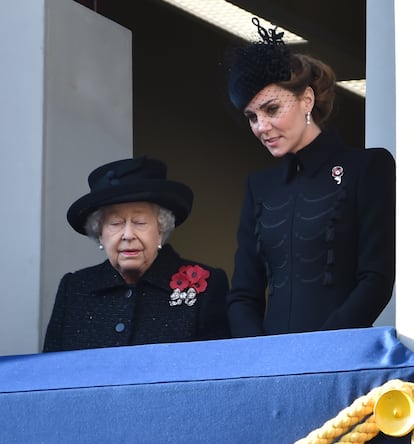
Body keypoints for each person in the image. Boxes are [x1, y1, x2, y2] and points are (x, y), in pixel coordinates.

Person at [225, 18, 396, 338]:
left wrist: (319, 352)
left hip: (341, 358)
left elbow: (376, 279)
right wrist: (258, 355)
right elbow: (243, 294)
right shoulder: (259, 186)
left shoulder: (368, 166)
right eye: (252, 116)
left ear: (306, 99)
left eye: (272, 109)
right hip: (271, 364)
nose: (261, 126)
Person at [43, 156, 230, 352]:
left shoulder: (207, 285)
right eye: (115, 223)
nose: (128, 235)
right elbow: (50, 373)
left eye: (140, 222)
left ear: (161, 228)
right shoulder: (74, 288)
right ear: (100, 233)